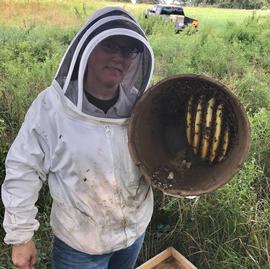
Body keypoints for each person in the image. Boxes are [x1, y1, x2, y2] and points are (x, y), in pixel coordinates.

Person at [1, 6, 154, 269]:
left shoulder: (141, 108)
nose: (119, 57)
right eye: (110, 46)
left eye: (128, 50)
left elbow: (159, 159)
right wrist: (21, 236)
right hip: (80, 246)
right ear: (88, 48)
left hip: (133, 235)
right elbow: (24, 168)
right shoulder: (51, 108)